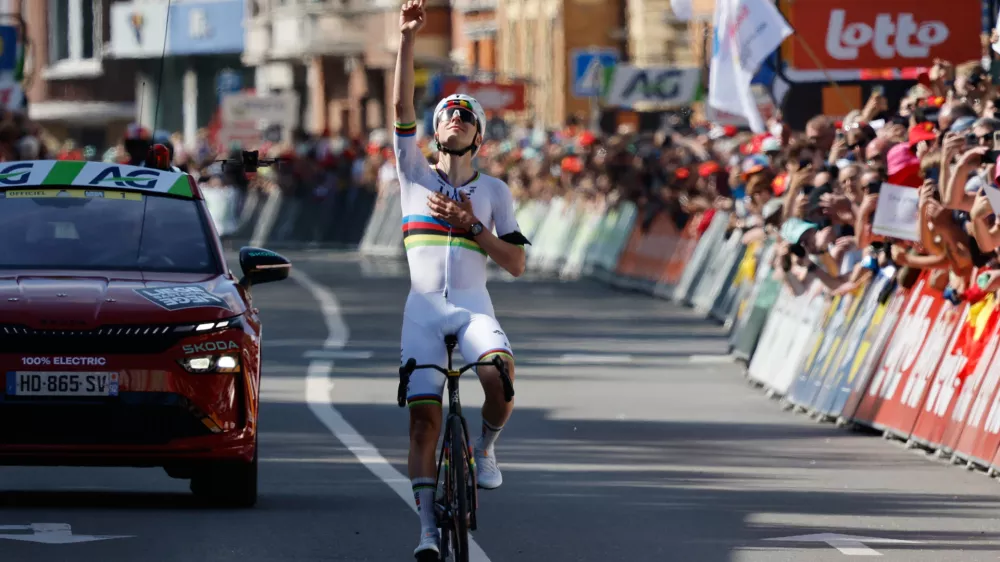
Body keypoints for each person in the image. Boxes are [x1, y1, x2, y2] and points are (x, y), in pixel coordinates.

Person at [393, 0, 529, 559]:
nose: (454, 118)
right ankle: (427, 530)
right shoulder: (413, 173)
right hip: (422, 309)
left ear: (478, 134)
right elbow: (400, 105)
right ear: (435, 129)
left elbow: (516, 264)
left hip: (474, 308)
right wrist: (407, 38)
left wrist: (474, 226)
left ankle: (487, 448)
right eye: (447, 113)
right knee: (423, 424)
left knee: (499, 378)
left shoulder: (494, 192)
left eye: (465, 115)